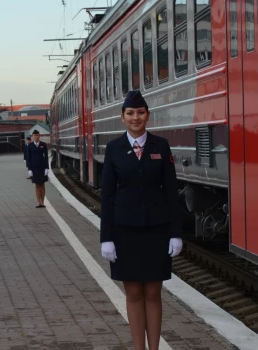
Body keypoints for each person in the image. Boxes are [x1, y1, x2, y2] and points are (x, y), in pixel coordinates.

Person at [100, 90, 183, 350]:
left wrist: (176, 233)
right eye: (130, 113)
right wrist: (107, 238)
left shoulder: (161, 145)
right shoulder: (113, 148)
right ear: (122, 118)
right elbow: (108, 196)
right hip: (125, 233)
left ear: (148, 115)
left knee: (153, 294)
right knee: (134, 295)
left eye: (140, 112)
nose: (136, 118)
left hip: (157, 230)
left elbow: (171, 191)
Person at [26, 130, 49, 208]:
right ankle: (38, 202)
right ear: (32, 136)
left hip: (42, 167)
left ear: (39, 136)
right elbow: (28, 158)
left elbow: (46, 157)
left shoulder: (43, 145)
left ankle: (42, 202)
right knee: (36, 185)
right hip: (34, 167)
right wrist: (29, 169)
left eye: (37, 135)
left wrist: (47, 168)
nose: (36, 137)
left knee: (42, 184)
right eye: (34, 135)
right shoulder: (30, 146)